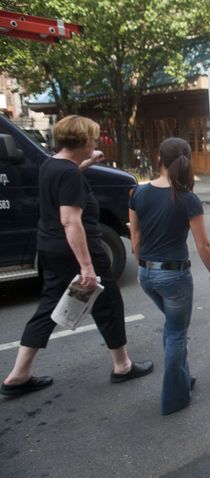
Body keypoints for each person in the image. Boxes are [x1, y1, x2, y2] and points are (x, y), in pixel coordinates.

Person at [1, 115, 153, 397]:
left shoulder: (53, 165)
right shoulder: (68, 174)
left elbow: (67, 175)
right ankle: (122, 366)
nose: (95, 143)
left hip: (49, 247)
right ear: (82, 141)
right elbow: (71, 221)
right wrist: (86, 266)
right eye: (93, 140)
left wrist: (87, 163)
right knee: (107, 305)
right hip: (75, 251)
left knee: (48, 307)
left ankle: (18, 375)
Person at [129, 137, 210, 415]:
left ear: (159, 159)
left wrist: (141, 267)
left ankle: (183, 378)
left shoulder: (137, 194)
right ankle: (174, 398)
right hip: (175, 278)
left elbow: (136, 237)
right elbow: (203, 245)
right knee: (177, 333)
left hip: (148, 274)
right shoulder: (188, 199)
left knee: (171, 328)